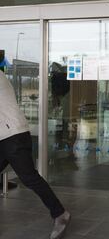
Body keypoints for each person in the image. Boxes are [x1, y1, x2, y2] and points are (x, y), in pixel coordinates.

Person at [0, 70, 70, 239]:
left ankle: (60, 213)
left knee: (29, 177)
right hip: (8, 136)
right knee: (30, 177)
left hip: (12, 136)